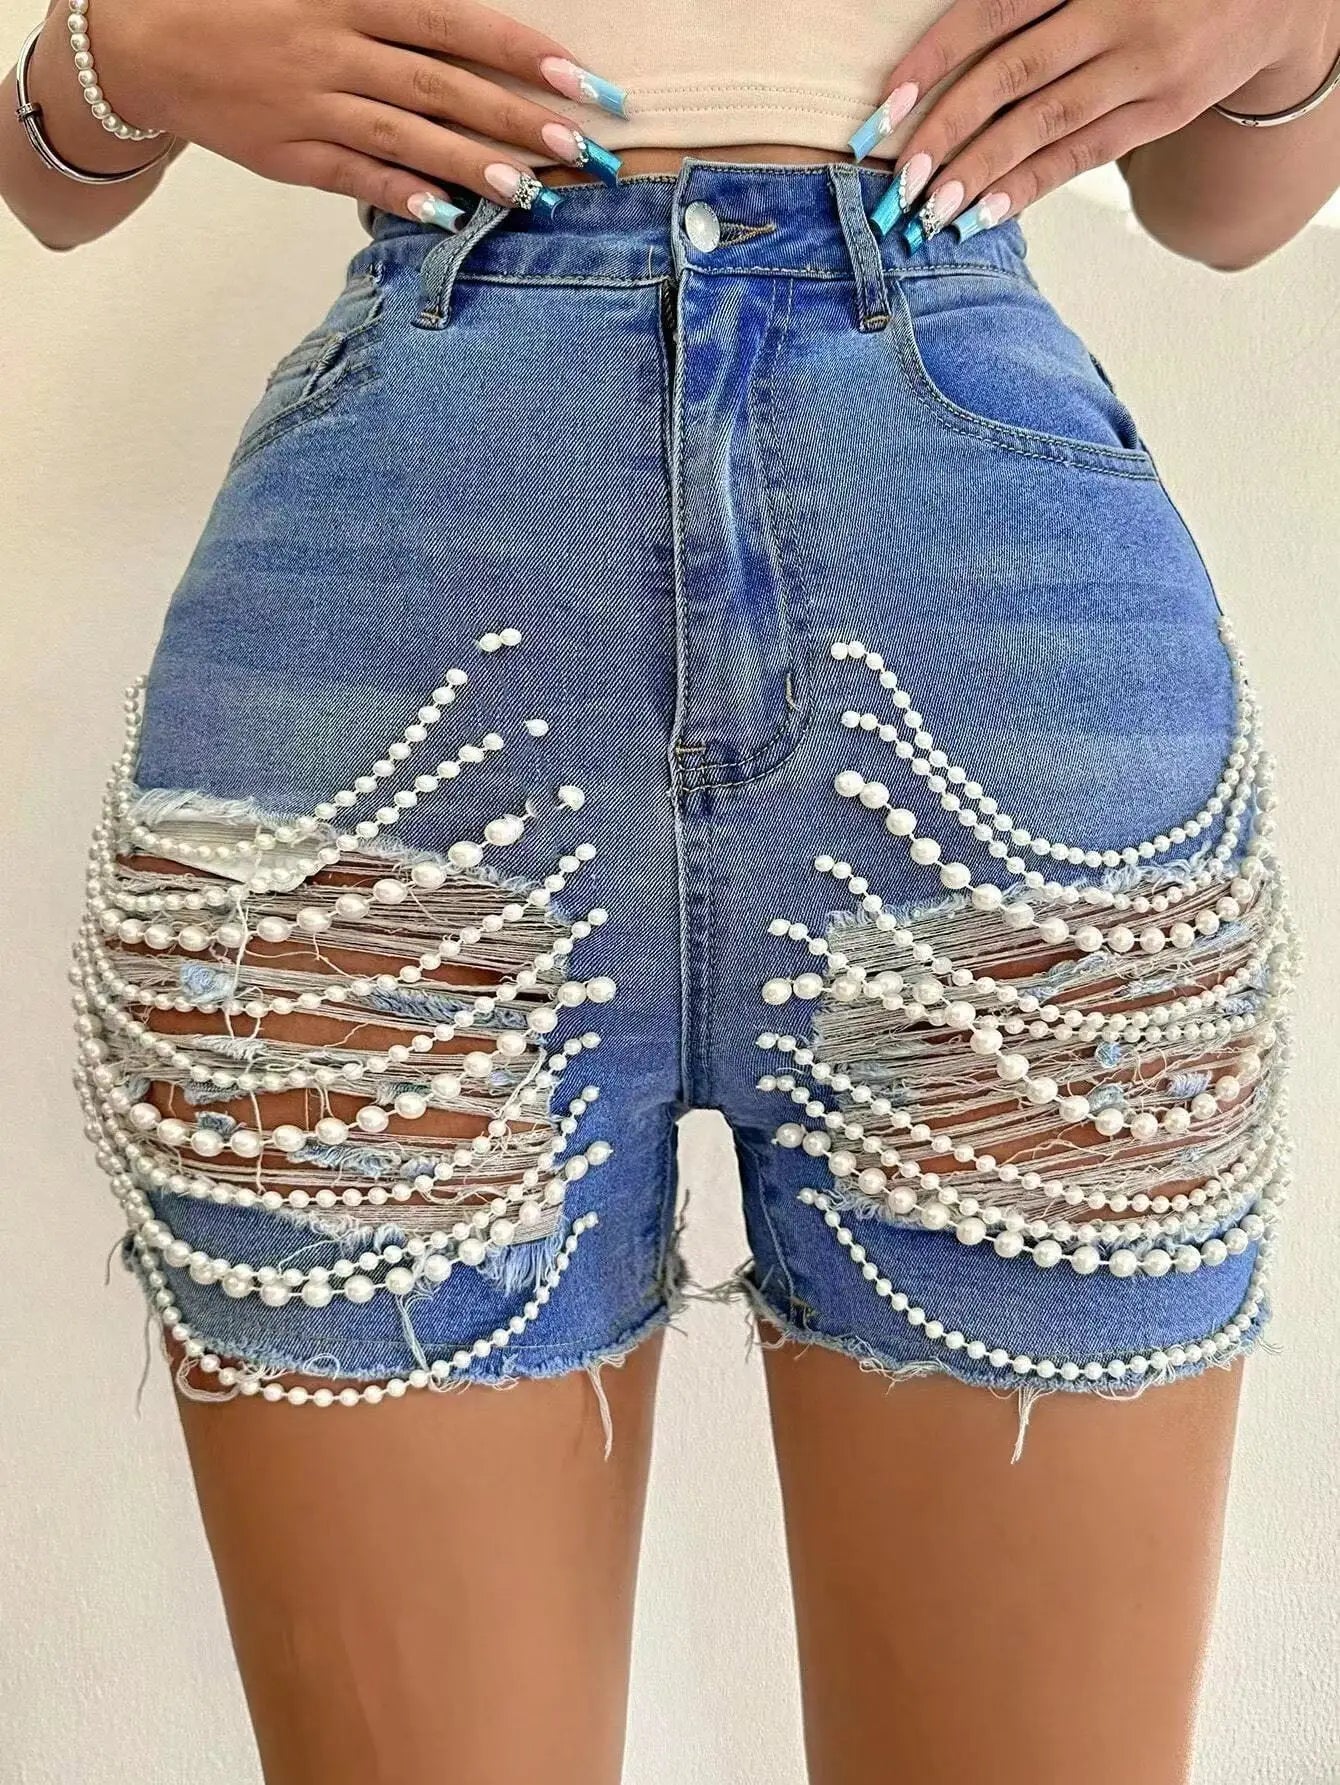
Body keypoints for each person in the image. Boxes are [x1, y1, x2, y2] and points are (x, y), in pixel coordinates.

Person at [6, 2, 1336, 1781]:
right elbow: (50, 175)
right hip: (385, 602)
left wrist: (1289, 27)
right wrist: (121, 48)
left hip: (993, 611)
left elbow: (1230, 208)